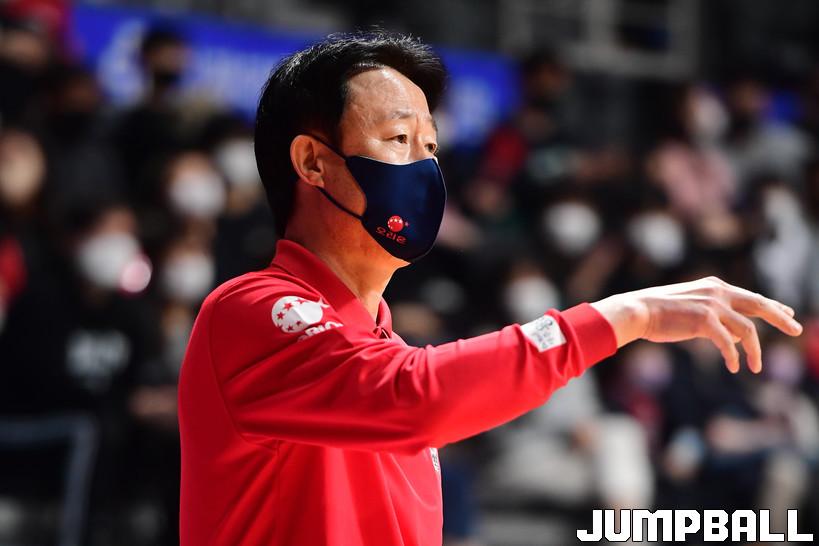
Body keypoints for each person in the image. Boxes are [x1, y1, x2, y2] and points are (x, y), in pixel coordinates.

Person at [177, 32, 803, 546]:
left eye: (430, 146)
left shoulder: (384, 345)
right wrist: (623, 315)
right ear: (313, 163)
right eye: (398, 140)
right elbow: (415, 395)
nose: (425, 167)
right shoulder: (251, 310)